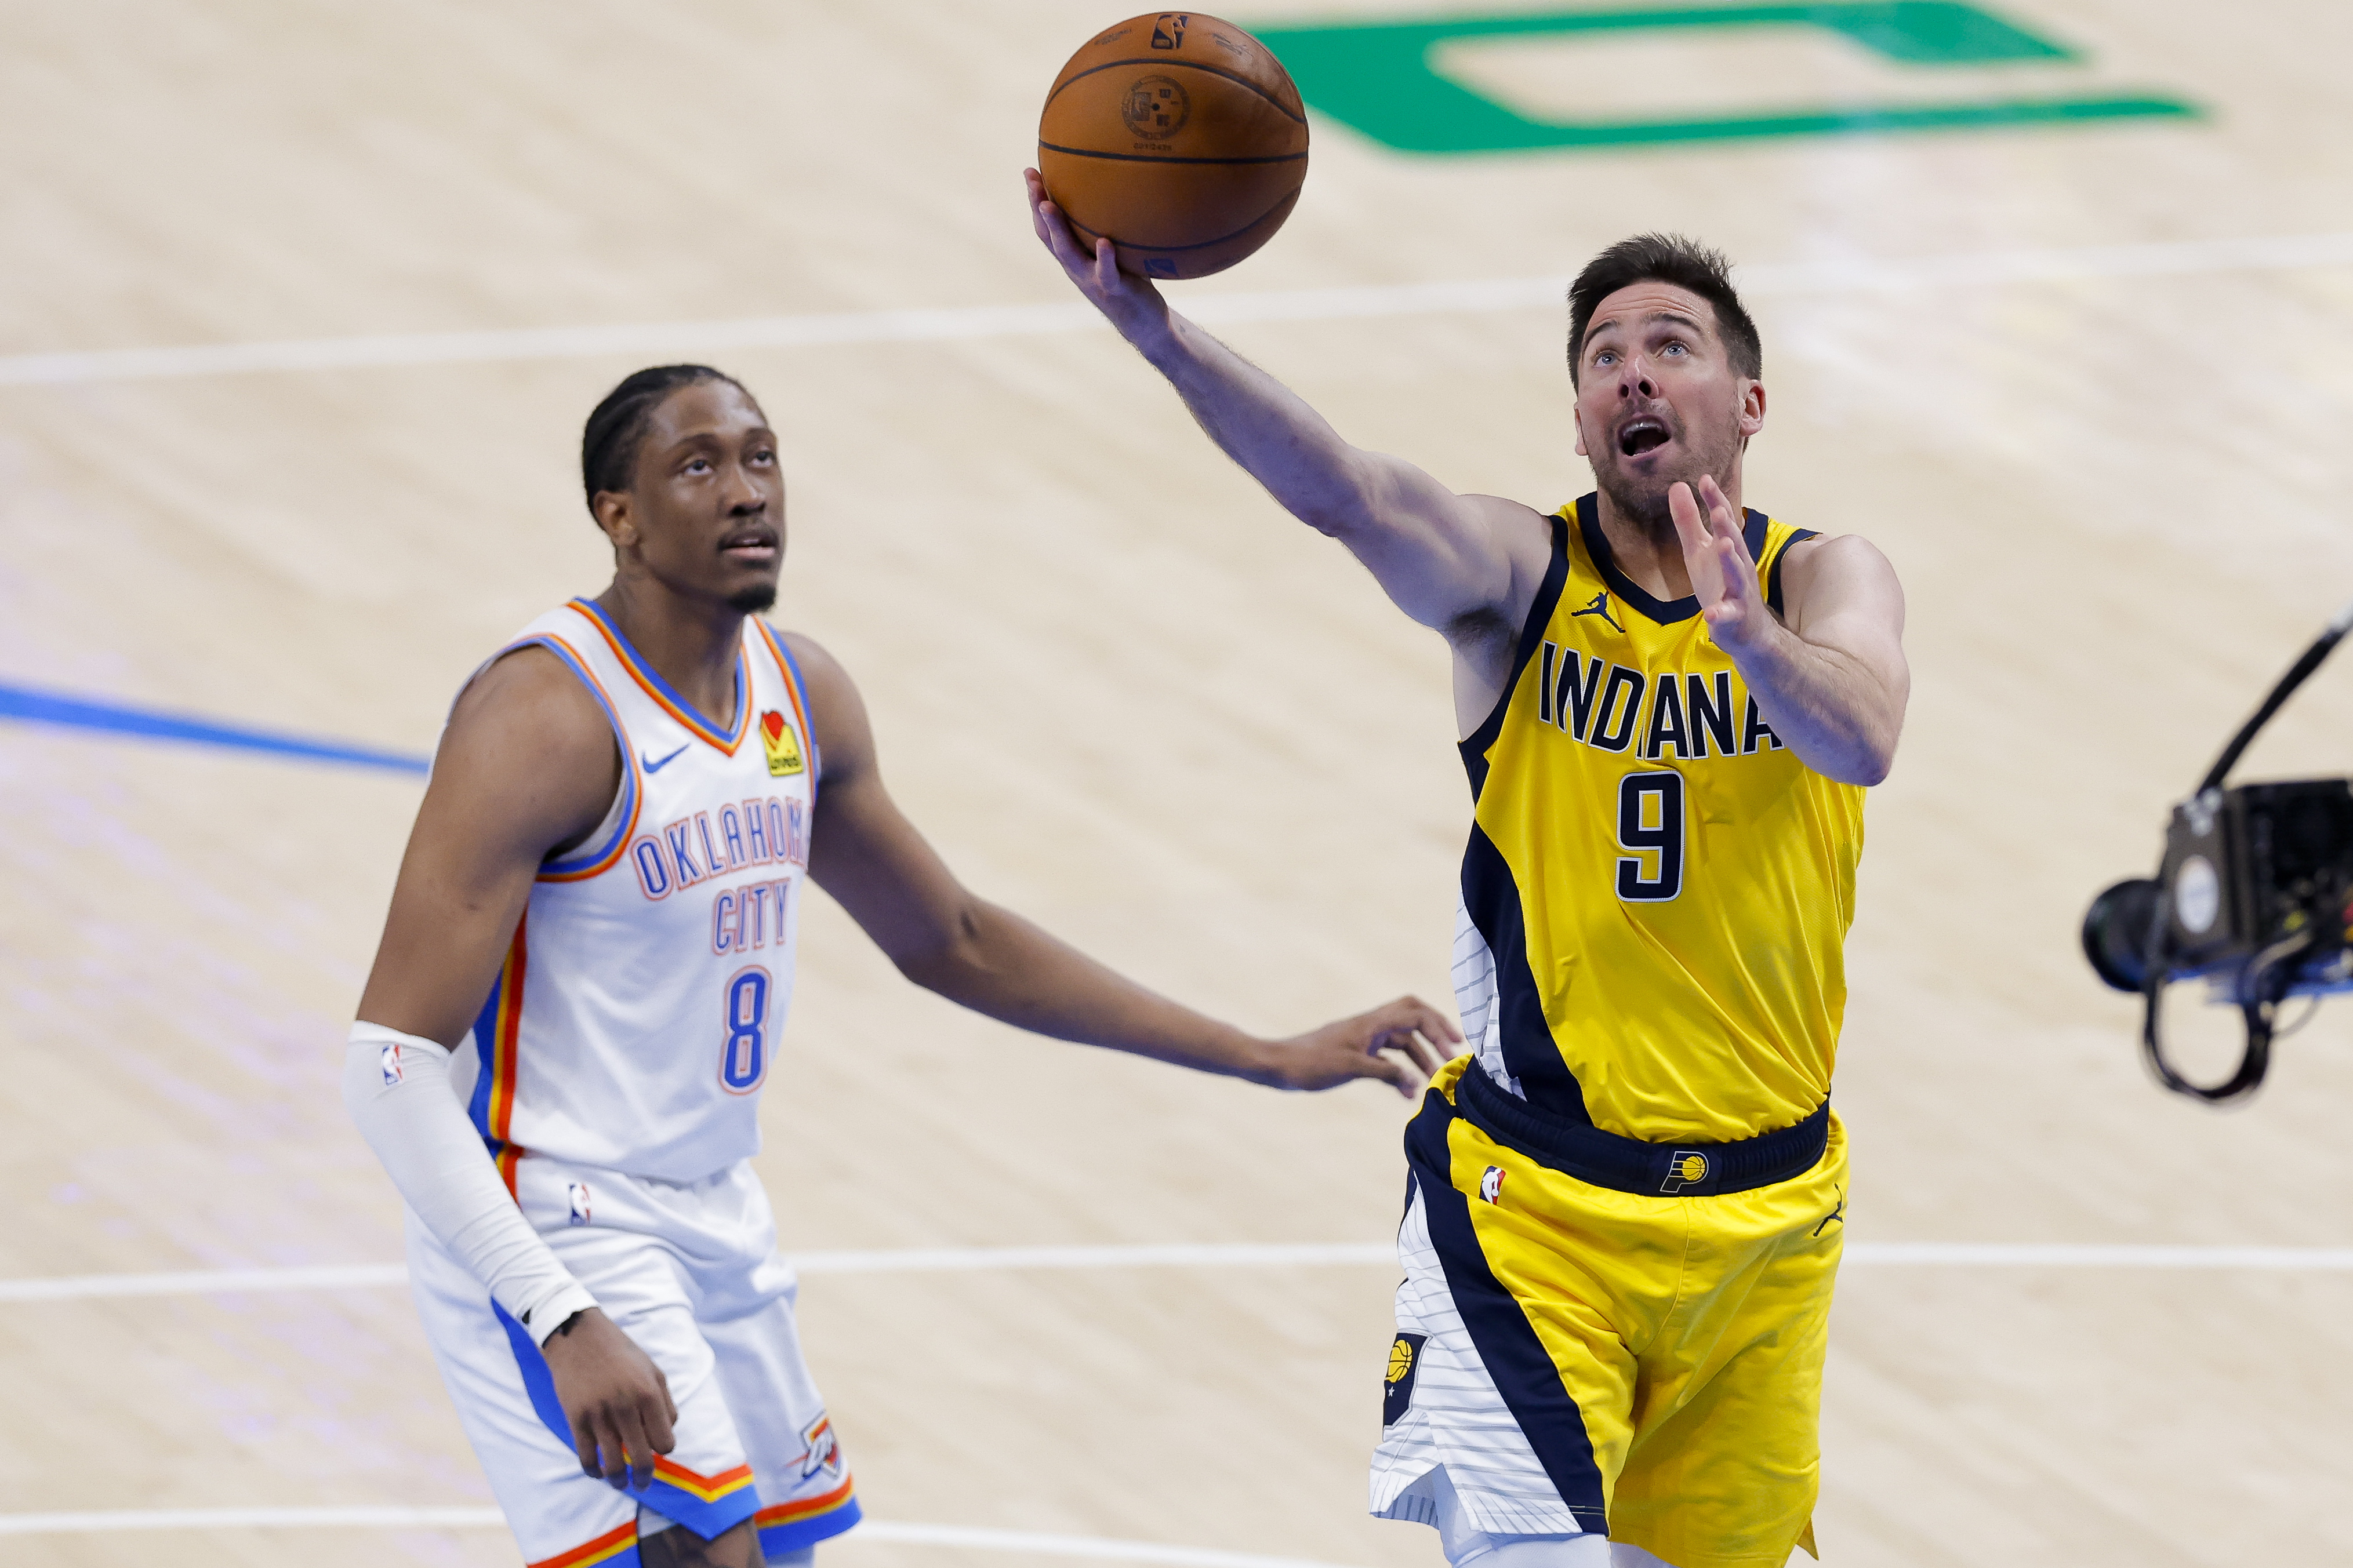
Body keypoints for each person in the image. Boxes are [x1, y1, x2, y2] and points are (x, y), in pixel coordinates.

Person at [343, 364, 1457, 1568]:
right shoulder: (546, 719)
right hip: (554, 1218)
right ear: (618, 515)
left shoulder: (800, 696)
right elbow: (390, 1068)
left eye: (760, 457)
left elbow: (954, 940)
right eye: (698, 465)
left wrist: (1263, 1054)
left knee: (782, 1555)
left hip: (712, 1209)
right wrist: (558, 1313)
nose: (745, 492)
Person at [1027, 180, 1908, 1568]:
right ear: (1579, 422)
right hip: (1532, 1220)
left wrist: (1748, 643)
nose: (1631, 369)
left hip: (1765, 1226)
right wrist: (1156, 332)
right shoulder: (1522, 579)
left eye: (1670, 343)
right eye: (1602, 355)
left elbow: (1859, 740)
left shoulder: (1821, 582)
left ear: (1747, 404)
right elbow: (1353, 496)